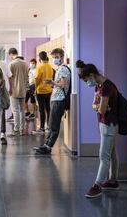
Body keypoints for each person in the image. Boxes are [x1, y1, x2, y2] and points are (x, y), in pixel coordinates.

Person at [75, 60, 120, 199]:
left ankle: (97, 185)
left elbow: (100, 108)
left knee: (103, 155)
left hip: (109, 124)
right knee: (111, 153)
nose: (87, 82)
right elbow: (97, 106)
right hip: (103, 122)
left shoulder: (106, 87)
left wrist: (100, 107)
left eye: (87, 79)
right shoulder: (98, 86)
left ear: (92, 75)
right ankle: (113, 180)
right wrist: (100, 107)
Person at [34, 48, 71, 155]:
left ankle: (48, 146)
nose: (55, 59)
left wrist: (52, 82)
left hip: (59, 100)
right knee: (51, 124)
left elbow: (62, 84)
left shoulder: (63, 69)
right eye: (54, 57)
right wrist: (52, 83)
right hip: (56, 99)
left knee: (54, 125)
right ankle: (46, 145)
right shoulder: (59, 68)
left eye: (57, 57)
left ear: (62, 57)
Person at [8, 48, 28, 136]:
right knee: (22, 110)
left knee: (15, 111)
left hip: (14, 90)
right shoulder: (25, 63)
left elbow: (9, 78)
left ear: (11, 54)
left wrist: (9, 89)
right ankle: (22, 129)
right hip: (23, 90)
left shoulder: (11, 64)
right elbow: (27, 77)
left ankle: (16, 129)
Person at [33, 51, 54, 134]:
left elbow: (37, 79)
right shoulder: (50, 66)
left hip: (41, 91)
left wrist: (35, 89)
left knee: (41, 110)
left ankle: (42, 128)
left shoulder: (40, 67)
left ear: (40, 58)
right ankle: (48, 126)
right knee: (48, 108)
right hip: (49, 90)